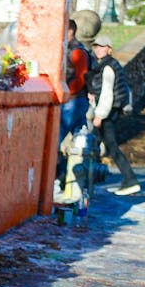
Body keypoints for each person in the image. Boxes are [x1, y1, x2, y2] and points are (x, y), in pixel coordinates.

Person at [87, 35, 140, 196]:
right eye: (96, 46)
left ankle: (130, 180)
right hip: (112, 110)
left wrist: (99, 115)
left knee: (110, 146)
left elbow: (107, 93)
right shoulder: (109, 65)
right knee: (105, 145)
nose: (98, 49)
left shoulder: (108, 67)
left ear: (109, 49)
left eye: (102, 47)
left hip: (108, 112)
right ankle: (127, 180)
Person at [56, 19, 92, 189]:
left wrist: (69, 94)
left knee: (57, 138)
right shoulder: (72, 49)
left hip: (74, 101)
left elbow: (81, 76)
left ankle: (61, 177)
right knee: (78, 144)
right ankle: (68, 180)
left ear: (70, 31)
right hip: (77, 101)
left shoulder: (76, 51)